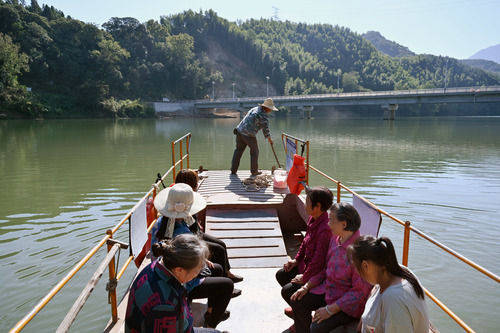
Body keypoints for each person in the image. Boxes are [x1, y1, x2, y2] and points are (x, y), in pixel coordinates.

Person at [151, 183, 235, 328]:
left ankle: (211, 312)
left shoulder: (161, 223)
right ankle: (210, 324)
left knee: (217, 269)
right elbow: (186, 264)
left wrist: (203, 260)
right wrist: (201, 261)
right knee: (227, 285)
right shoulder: (181, 233)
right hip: (180, 283)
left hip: (170, 271)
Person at [286, 202, 371, 333]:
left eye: (331, 220)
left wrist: (330, 309)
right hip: (329, 290)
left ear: (344, 224)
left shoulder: (359, 252)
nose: (328, 223)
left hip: (345, 305)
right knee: (294, 296)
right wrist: (307, 286)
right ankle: (301, 327)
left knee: (316, 328)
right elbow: (326, 269)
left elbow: (359, 293)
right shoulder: (336, 239)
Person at [125, 234, 221, 333]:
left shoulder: (157, 265)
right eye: (197, 271)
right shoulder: (165, 306)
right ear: (179, 270)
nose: (198, 274)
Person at [348, 236, 430, 333]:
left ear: (365, 266)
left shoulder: (393, 299)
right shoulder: (395, 271)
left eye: (357, 268)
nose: (358, 273)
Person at [173, 169, 243, 283]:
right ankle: (224, 280)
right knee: (218, 250)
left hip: (194, 230)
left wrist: (197, 224)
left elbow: (191, 221)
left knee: (221, 244)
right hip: (190, 236)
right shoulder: (179, 201)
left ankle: (227, 273)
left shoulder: (187, 196)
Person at [276, 187, 333, 319]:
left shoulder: (325, 230)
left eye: (307, 201)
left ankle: (301, 318)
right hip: (306, 267)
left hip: (316, 275)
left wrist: (305, 277)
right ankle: (299, 311)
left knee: (287, 290)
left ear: (317, 206)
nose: (305, 204)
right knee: (282, 274)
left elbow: (319, 262)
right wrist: (296, 260)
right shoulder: (313, 219)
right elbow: (305, 242)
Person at [231, 98, 278, 176]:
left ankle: (233, 170)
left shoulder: (255, 108)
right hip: (249, 135)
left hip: (239, 131)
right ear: (267, 108)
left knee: (238, 150)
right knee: (255, 152)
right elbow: (265, 130)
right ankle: (254, 171)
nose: (271, 111)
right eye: (271, 109)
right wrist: (270, 139)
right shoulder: (263, 115)